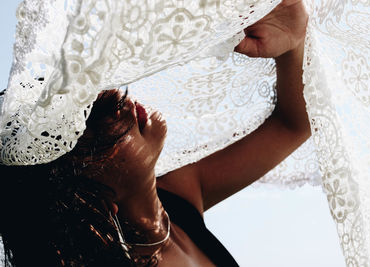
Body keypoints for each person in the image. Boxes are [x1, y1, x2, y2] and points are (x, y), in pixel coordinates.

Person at [0, 0, 309, 266]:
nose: (111, 97)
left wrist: (292, 44)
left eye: (87, 98)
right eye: (86, 124)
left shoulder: (179, 196)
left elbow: (292, 126)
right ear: (88, 201)